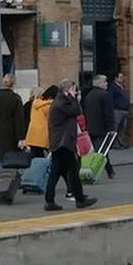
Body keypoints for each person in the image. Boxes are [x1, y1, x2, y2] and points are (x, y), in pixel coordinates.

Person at [43, 83, 95, 211]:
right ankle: (80, 199)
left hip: (60, 142)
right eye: (73, 90)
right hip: (63, 143)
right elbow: (76, 111)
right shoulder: (62, 103)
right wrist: (74, 99)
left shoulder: (60, 102)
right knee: (72, 170)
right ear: (66, 91)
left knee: (56, 172)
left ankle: (50, 200)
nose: (75, 92)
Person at [80, 74, 117, 179]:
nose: (106, 84)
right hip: (102, 128)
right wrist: (111, 128)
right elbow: (108, 113)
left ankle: (109, 170)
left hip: (91, 127)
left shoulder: (88, 95)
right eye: (104, 82)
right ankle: (106, 170)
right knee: (102, 151)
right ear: (99, 83)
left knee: (97, 150)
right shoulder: (105, 95)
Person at [24, 85, 56, 157]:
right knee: (40, 155)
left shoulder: (34, 104)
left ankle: (34, 167)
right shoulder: (46, 106)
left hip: (32, 134)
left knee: (35, 154)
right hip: (42, 134)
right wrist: (50, 102)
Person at [110, 72, 131, 148]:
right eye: (120, 77)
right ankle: (114, 144)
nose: (122, 79)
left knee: (122, 128)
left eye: (122, 77)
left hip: (124, 110)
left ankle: (120, 142)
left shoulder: (122, 87)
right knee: (116, 128)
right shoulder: (113, 87)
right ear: (116, 78)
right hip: (117, 110)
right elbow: (111, 99)